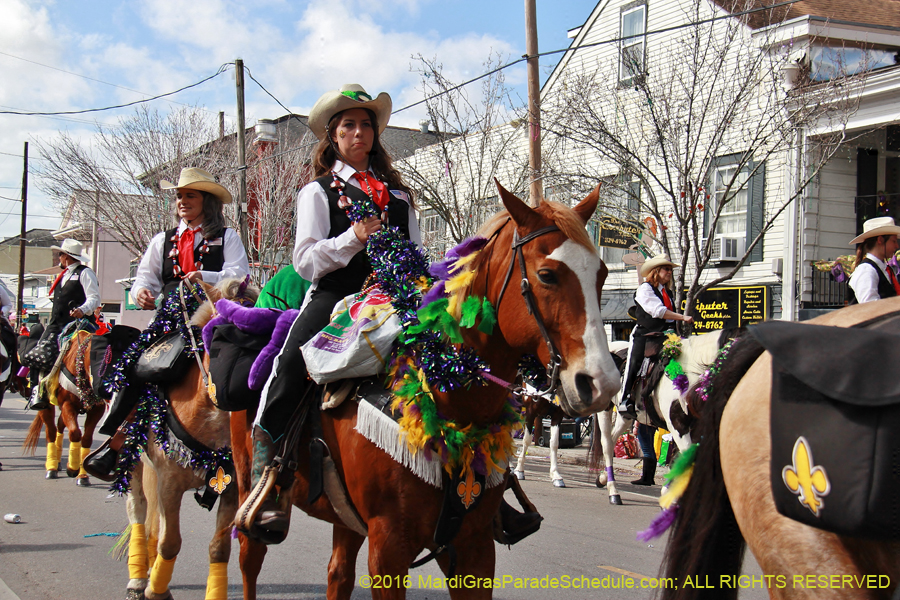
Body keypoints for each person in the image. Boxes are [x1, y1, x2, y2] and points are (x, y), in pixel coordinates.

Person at [83, 168, 249, 481]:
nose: (182, 201)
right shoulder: (163, 240)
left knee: (244, 365)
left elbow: (239, 275)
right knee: (135, 365)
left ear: (207, 201)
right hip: (171, 319)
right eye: (179, 196)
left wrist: (206, 277)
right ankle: (118, 440)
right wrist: (141, 292)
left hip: (214, 315)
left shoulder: (227, 237)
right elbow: (145, 278)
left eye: (190, 195)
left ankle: (251, 440)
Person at [23, 239, 101, 410]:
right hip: (55, 324)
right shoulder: (63, 275)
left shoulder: (85, 273)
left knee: (93, 354)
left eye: (60, 254)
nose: (59, 257)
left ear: (66, 256)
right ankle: (38, 392)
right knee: (37, 355)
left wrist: (82, 309)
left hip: (78, 324)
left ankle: (94, 393)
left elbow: (94, 298)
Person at [618, 254, 693, 420]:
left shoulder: (667, 292)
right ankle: (625, 400)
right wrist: (683, 317)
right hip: (646, 335)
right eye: (666, 269)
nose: (669, 272)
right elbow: (657, 311)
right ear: (656, 271)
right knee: (634, 361)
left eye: (670, 270)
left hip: (668, 335)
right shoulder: (645, 289)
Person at [848, 216, 900, 304]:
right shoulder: (866, 271)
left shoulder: (886, 270)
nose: (897, 246)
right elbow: (870, 308)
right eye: (894, 241)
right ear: (880, 240)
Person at [631, 422, 658, 486]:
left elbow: (640, 414)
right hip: (651, 424)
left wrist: (636, 427)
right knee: (650, 450)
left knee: (647, 450)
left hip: (643, 424)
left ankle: (646, 478)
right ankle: (650, 478)